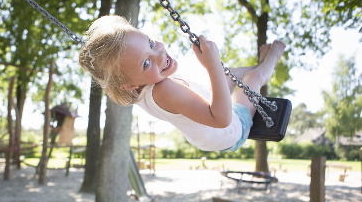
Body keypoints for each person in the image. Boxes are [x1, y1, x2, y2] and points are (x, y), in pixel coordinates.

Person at [79, 15, 285, 151]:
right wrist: (212, 64)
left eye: (150, 43)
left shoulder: (132, 89)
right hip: (230, 130)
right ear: (129, 84)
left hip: (209, 136)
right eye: (146, 63)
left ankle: (260, 64)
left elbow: (110, 85)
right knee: (252, 79)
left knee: (229, 76)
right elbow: (222, 118)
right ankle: (271, 61)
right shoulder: (166, 89)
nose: (159, 54)